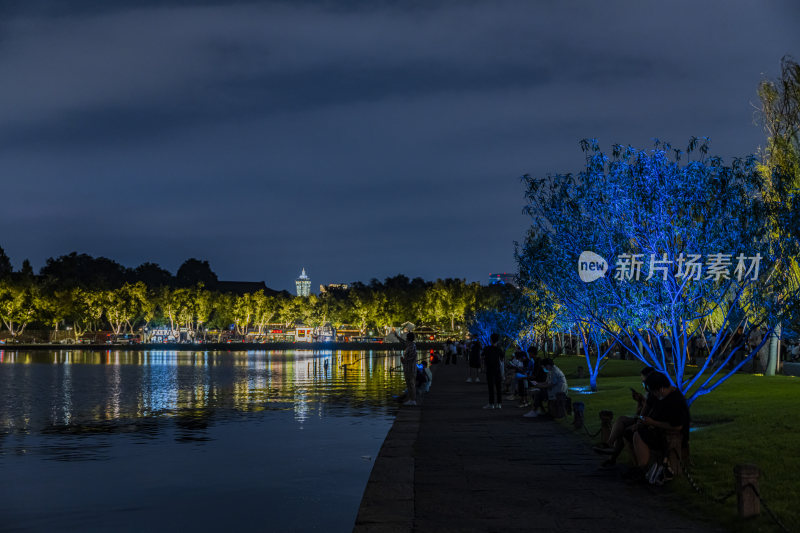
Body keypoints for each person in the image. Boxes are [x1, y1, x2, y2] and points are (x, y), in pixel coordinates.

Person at [630, 371, 690, 479]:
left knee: (638, 435)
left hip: (671, 434)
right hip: (657, 429)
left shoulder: (676, 400)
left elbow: (678, 426)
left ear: (661, 389)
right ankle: (640, 467)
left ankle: (643, 468)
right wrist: (642, 422)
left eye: (653, 391)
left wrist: (653, 423)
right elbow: (647, 406)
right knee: (630, 430)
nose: (652, 394)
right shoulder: (657, 395)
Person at [593, 366, 656, 466]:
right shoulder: (649, 392)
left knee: (624, 430)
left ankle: (614, 457)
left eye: (644, 381)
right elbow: (640, 412)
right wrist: (639, 401)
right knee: (621, 420)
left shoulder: (655, 393)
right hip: (641, 419)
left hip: (648, 423)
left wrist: (642, 402)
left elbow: (649, 412)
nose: (643, 383)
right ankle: (609, 444)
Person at [481, 333, 504, 409]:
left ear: (490, 340)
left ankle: (491, 403)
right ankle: (499, 403)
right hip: (497, 369)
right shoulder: (499, 349)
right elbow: (502, 360)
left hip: (490, 369)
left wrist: (483, 367)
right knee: (498, 387)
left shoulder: (487, 348)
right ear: (497, 341)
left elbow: (482, 357)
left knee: (491, 387)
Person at [400, 332, 418, 406]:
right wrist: (396, 335)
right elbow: (403, 342)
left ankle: (413, 400)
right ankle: (411, 399)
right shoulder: (409, 345)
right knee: (409, 384)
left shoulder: (412, 346)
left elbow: (412, 357)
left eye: (406, 337)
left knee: (411, 384)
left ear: (408, 338)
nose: (406, 339)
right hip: (407, 368)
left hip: (411, 368)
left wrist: (404, 360)